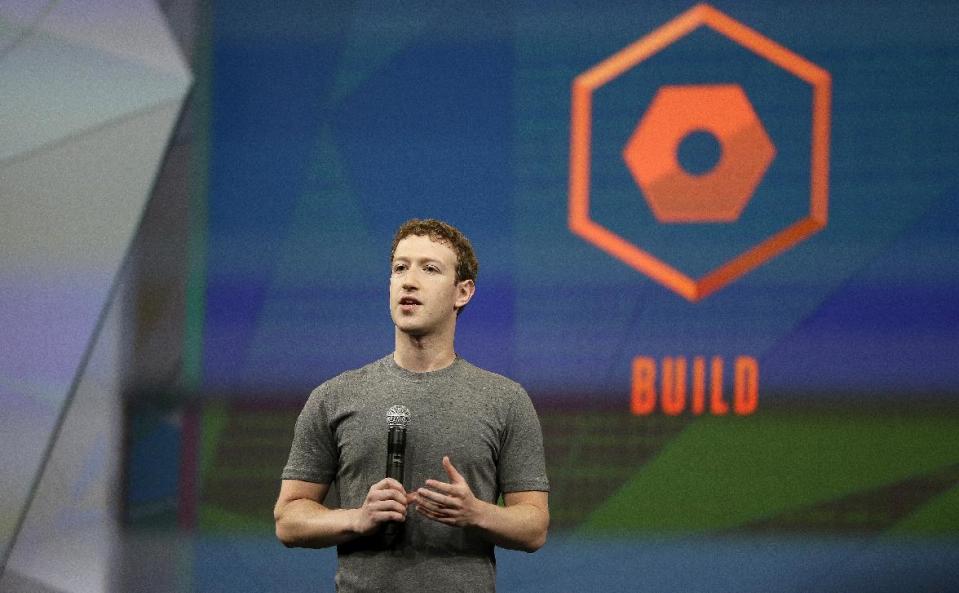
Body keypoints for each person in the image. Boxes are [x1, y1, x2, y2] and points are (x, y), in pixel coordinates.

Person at [274, 218, 550, 592]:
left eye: (430, 269)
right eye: (400, 268)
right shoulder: (334, 397)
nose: (409, 281)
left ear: (463, 292)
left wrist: (476, 512)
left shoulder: (505, 400)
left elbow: (534, 526)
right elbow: (288, 519)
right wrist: (358, 518)